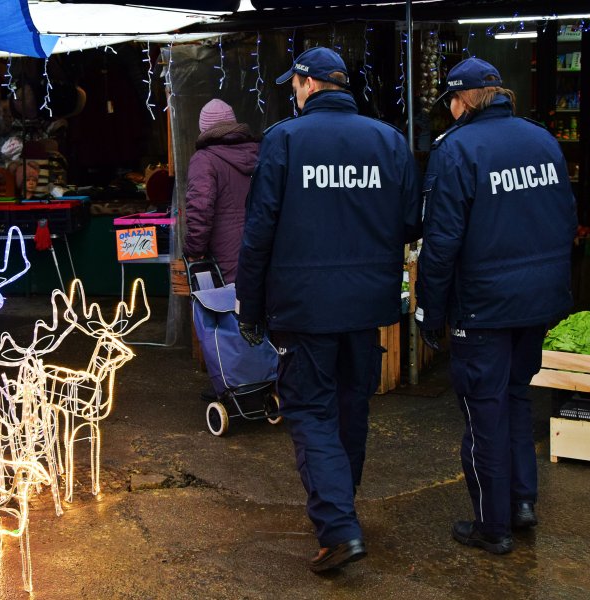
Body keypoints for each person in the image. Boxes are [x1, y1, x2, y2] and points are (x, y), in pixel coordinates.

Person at [235, 47, 421, 573]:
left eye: (293, 86)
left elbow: (259, 231)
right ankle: (343, 509)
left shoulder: (284, 139)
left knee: (310, 410)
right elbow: (411, 222)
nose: (292, 94)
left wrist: (249, 304)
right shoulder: (388, 140)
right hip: (366, 303)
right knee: (350, 405)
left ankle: (339, 527)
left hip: (304, 306)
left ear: (308, 84)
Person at [416, 57, 576, 555]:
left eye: (452, 103)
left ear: (462, 101)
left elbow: (440, 244)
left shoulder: (456, 150)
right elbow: (565, 218)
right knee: (515, 398)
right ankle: (522, 503)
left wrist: (429, 312)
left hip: (483, 307)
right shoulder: (542, 140)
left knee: (484, 412)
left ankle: (493, 525)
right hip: (538, 303)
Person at [184, 98, 260, 283]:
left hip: (223, 261)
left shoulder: (204, 160)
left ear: (204, 129)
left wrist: (194, 251)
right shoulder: (260, 152)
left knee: (227, 309)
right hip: (260, 254)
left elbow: (200, 210)